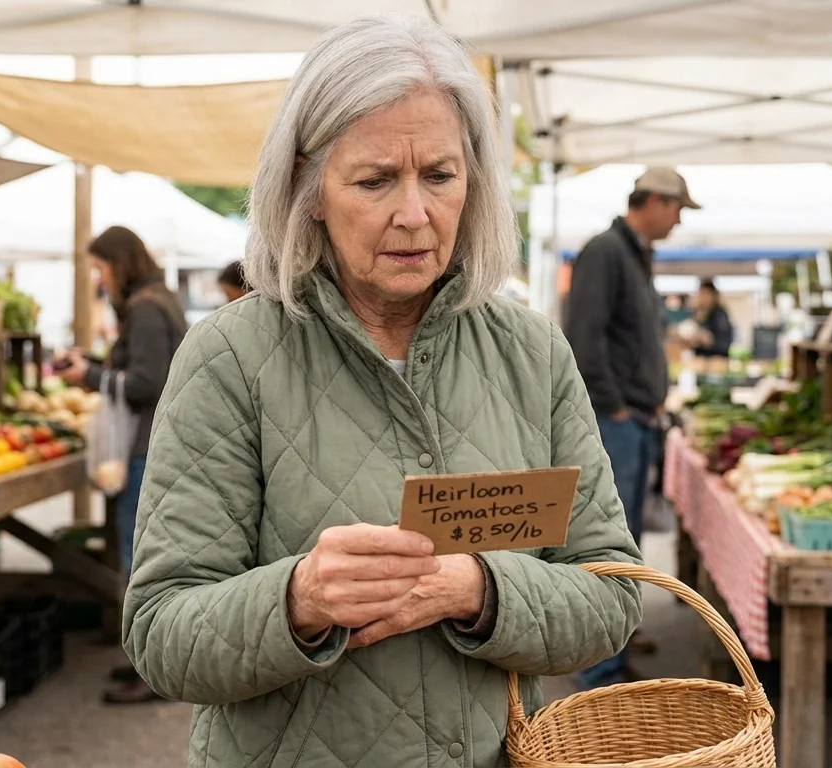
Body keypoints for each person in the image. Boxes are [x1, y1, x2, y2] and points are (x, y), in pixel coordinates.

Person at [121, 17, 643, 768]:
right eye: (374, 180)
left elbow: (612, 597)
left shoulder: (532, 353)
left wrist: (481, 589)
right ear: (310, 189)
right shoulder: (231, 356)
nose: (414, 213)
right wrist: (297, 600)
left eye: (440, 174)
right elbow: (162, 634)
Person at [563, 165, 698, 688]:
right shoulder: (606, 251)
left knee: (626, 539)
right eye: (679, 209)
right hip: (613, 420)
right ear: (656, 201)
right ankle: (599, 669)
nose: (679, 220)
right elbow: (584, 337)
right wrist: (615, 406)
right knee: (605, 542)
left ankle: (615, 637)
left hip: (634, 419)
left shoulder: (632, 254)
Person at [56, 224, 187, 705]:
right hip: (154, 444)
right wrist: (90, 362)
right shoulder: (158, 300)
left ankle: (152, 673)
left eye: (99, 267)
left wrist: (89, 375)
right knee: (146, 556)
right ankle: (147, 664)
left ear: (118, 262)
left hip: (145, 448)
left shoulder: (146, 309)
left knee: (141, 563)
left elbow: (145, 384)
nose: (98, 278)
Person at [689, 279, 733, 358]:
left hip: (717, 359)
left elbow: (723, 343)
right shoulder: (696, 313)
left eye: (704, 294)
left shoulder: (719, 314)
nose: (701, 297)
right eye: (700, 294)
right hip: (701, 359)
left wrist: (709, 340)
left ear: (713, 295)